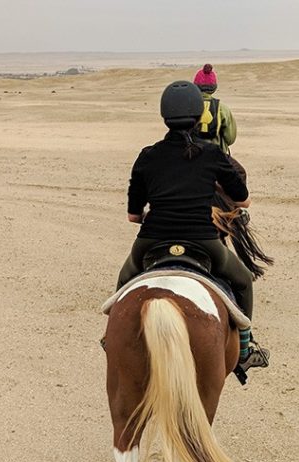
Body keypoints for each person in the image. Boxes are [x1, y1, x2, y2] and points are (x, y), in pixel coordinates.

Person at [116, 80, 268, 373]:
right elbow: (244, 201)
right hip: (204, 240)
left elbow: (133, 217)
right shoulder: (213, 155)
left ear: (164, 117)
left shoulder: (147, 156)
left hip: (152, 240)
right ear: (200, 117)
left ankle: (113, 337)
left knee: (124, 282)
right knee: (242, 281)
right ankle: (245, 350)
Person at [192, 64, 236, 155]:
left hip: (192, 154)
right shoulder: (222, 108)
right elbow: (230, 138)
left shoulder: (188, 106)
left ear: (195, 86)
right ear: (214, 88)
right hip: (217, 155)